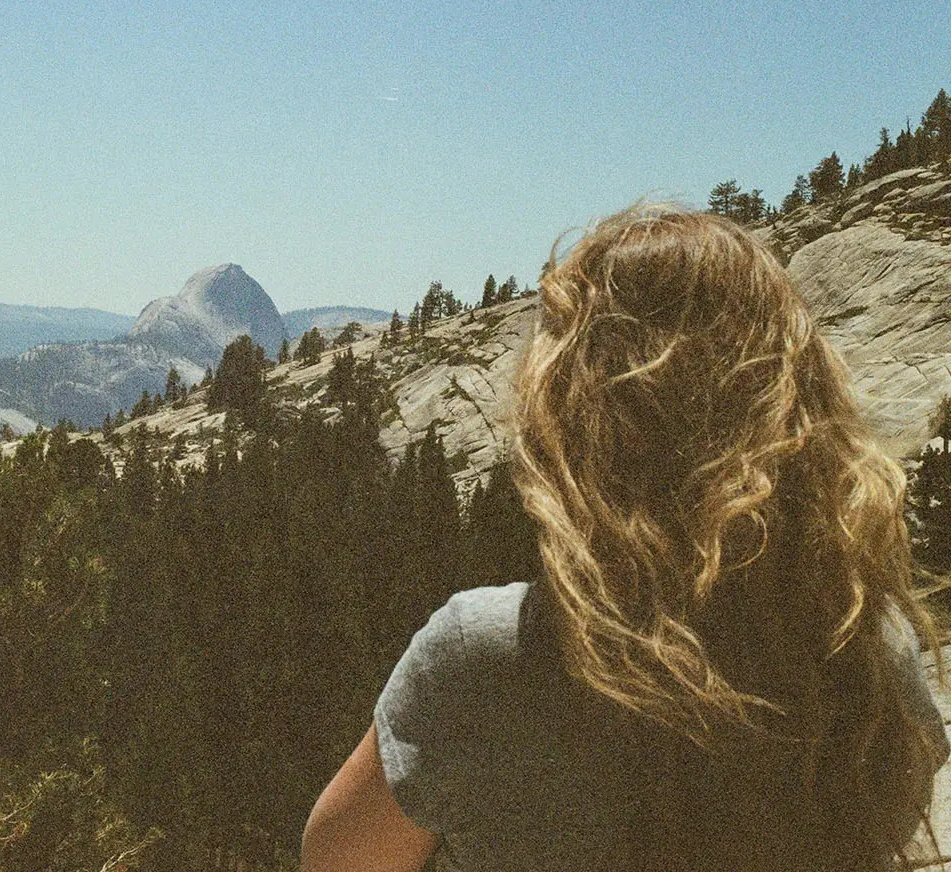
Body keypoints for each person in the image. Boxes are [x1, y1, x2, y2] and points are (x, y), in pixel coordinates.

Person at [301, 203, 950, 872]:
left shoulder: (485, 655)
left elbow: (335, 861)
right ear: (799, 397)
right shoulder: (867, 646)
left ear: (571, 407)